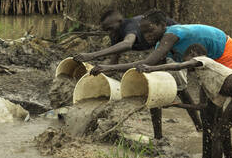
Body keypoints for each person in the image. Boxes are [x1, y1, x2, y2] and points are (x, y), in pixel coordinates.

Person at [90, 10, 232, 158]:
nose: (147, 36)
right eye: (143, 32)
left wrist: (108, 67)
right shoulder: (160, 44)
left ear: (162, 25)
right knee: (210, 113)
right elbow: (153, 73)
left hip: (225, 53)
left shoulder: (171, 35)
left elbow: (147, 62)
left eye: (150, 30)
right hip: (207, 60)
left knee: (213, 112)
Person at [136, 43, 232, 158]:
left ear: (194, 54)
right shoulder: (212, 80)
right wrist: (176, 105)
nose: (186, 64)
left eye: (187, 59)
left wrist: (151, 68)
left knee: (218, 135)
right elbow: (204, 106)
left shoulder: (204, 61)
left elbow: (178, 66)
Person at [74, 9, 202, 135]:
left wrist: (92, 55)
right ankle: (158, 136)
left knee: (180, 88)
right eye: (106, 30)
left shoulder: (129, 26)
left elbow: (128, 44)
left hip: (175, 46)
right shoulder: (116, 35)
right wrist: (95, 79)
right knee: (153, 88)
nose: (110, 33)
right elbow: (113, 64)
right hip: (159, 47)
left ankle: (199, 126)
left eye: (111, 28)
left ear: (119, 22)